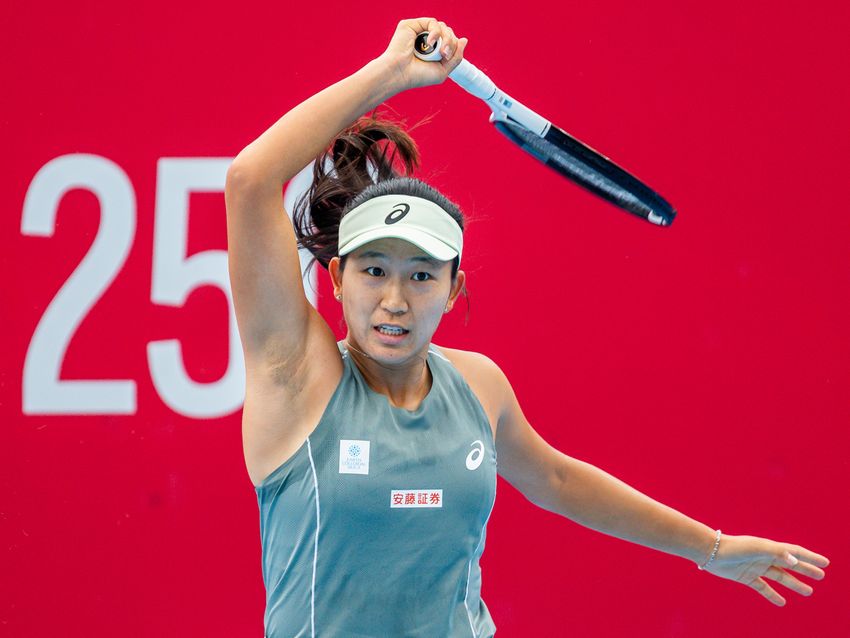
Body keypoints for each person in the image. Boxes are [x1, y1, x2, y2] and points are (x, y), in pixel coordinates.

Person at [224, 17, 830, 638]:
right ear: (336, 279)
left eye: (422, 276)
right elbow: (249, 181)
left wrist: (712, 549)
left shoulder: (478, 385)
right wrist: (392, 73)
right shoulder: (297, 377)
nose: (395, 301)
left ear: (453, 289)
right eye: (374, 271)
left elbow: (557, 481)